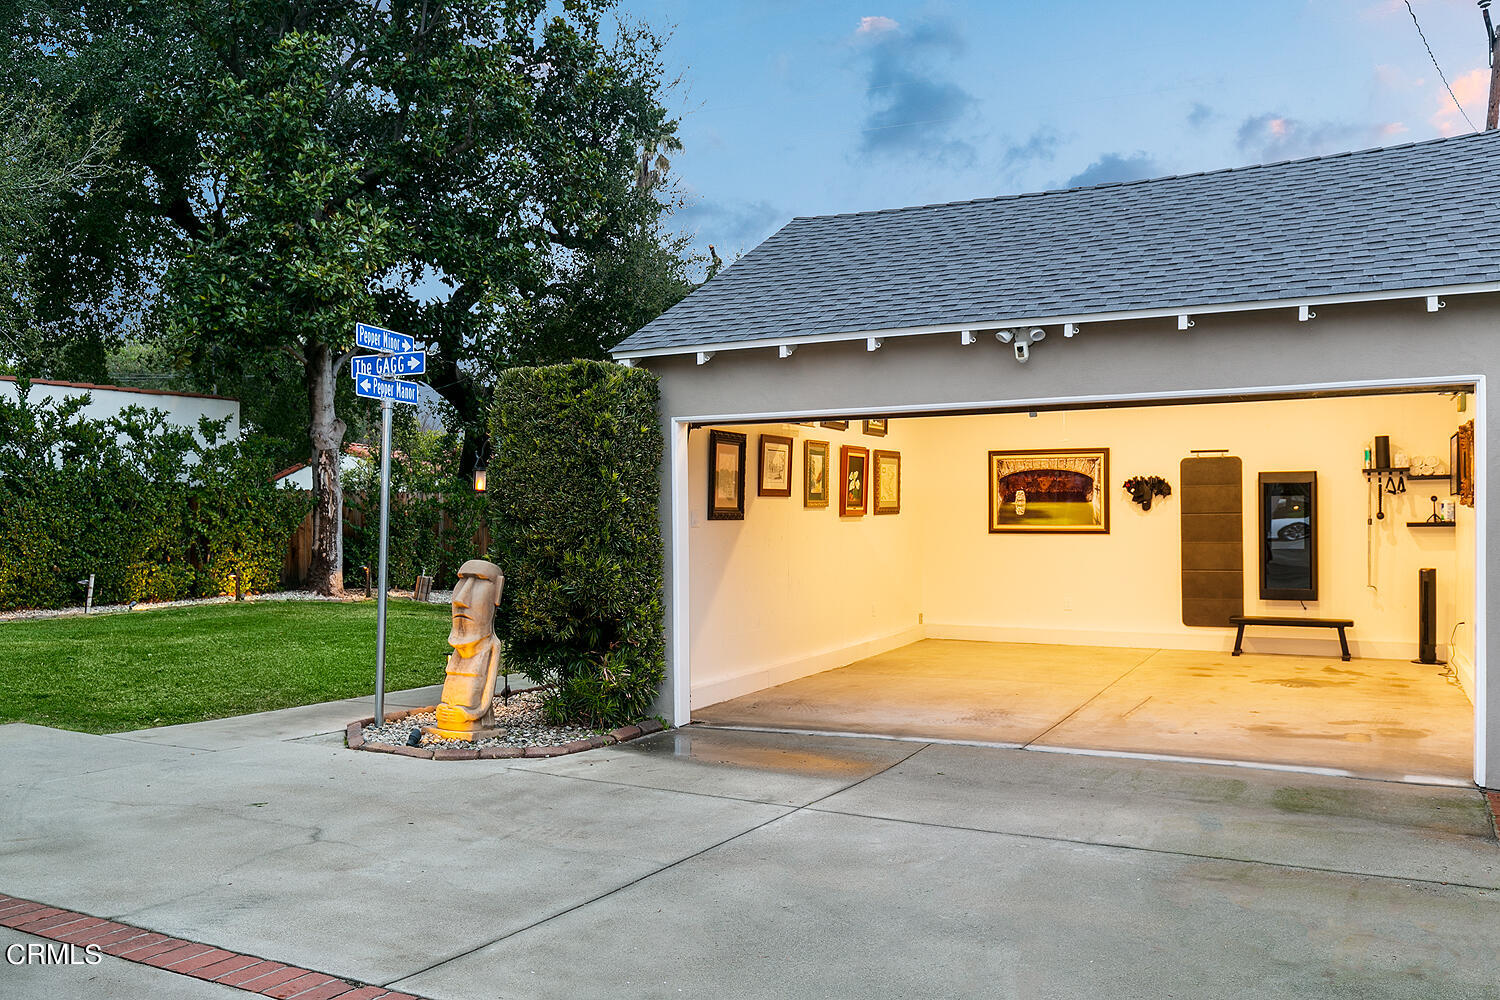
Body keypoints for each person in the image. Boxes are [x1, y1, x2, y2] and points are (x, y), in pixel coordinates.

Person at [428, 559, 505, 739]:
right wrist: (442, 709)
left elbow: (486, 696)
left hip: (471, 716)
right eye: (461, 580)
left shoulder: (492, 645)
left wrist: (470, 715)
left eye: (480, 581)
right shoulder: (457, 650)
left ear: (497, 592)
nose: (460, 600)